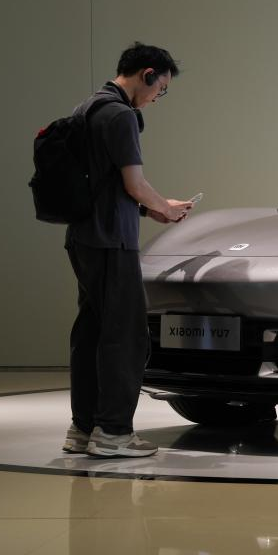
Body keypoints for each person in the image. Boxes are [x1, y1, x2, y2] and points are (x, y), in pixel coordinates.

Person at [62, 42, 194, 458]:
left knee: (91, 333)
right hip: (111, 240)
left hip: (83, 236)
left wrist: (149, 209)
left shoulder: (86, 108)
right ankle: (114, 433)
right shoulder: (120, 115)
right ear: (147, 74)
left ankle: (83, 428)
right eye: (160, 89)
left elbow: (106, 185)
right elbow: (134, 183)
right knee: (125, 336)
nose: (157, 97)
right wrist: (165, 208)